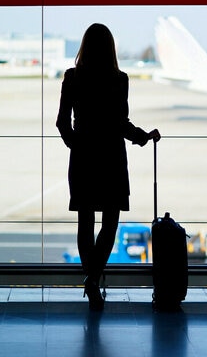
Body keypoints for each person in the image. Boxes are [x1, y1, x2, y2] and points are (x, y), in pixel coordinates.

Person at [56, 23, 160, 311]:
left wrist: (76, 145)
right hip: (111, 157)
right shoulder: (119, 79)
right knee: (110, 223)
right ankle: (93, 278)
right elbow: (121, 123)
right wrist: (143, 136)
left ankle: (90, 279)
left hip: (84, 157)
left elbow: (62, 122)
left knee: (85, 222)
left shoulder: (73, 78)